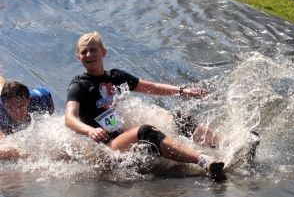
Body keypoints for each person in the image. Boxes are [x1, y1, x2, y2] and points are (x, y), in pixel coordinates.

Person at [65, 31, 226, 180]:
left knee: (179, 118)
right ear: (78, 57)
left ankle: (226, 147)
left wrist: (183, 90)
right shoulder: (79, 85)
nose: (89, 54)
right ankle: (204, 161)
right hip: (107, 149)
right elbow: (69, 118)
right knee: (145, 131)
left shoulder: (116, 77)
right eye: (83, 52)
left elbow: (152, 87)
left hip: (123, 136)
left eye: (93, 50)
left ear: (103, 52)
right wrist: (90, 130)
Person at [0, 80, 55, 160]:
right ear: (4, 105)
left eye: (20, 106)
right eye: (10, 108)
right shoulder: (1, 114)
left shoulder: (40, 97)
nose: (16, 113)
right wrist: (21, 152)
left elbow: (52, 117)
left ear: (28, 100)